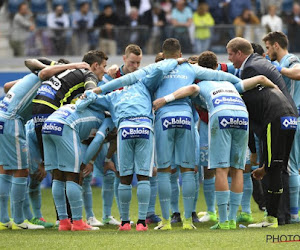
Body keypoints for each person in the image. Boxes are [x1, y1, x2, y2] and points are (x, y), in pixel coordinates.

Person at [91, 38, 246, 230]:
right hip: (186, 118)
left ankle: (166, 222)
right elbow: (221, 76)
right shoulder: (190, 68)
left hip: (163, 118)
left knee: (164, 171)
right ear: (180, 54)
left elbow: (126, 80)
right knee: (188, 170)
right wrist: (240, 85)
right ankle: (188, 221)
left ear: (163, 55)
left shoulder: (155, 68)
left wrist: (97, 89)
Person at [152, 67, 277, 230]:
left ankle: (223, 221)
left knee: (221, 169)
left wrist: (165, 99)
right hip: (242, 116)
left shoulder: (201, 84)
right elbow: (260, 78)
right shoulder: (230, 83)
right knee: (237, 169)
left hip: (221, 114)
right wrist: (279, 92)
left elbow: (192, 89)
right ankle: (233, 220)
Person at [78, 58, 182, 231]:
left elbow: (90, 99)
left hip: (125, 129)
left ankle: (125, 223)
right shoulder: (143, 85)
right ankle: (141, 222)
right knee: (143, 177)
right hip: (144, 127)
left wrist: (85, 96)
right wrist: (175, 61)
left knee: (124, 178)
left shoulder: (112, 95)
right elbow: (157, 71)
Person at [0, 61, 89, 230]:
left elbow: (6, 87)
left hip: (2, 116)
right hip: (13, 120)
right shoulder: (47, 77)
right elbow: (42, 72)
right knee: (21, 171)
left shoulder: (34, 79)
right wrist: (72, 66)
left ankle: (3, 219)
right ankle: (19, 221)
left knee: (4, 169)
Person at [226, 37, 298, 227]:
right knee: (278, 166)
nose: (230, 59)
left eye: (231, 54)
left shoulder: (249, 71)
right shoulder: (260, 62)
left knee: (274, 169)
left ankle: (273, 218)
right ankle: (282, 216)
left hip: (274, 117)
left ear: (239, 53)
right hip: (289, 116)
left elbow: (248, 115)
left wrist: (254, 151)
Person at [262, 31, 300, 223]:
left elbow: (299, 73)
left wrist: (279, 69)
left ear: (276, 45)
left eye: (268, 48)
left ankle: (294, 214)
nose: (268, 52)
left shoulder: (290, 60)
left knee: (291, 167)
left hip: (294, 117)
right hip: (292, 118)